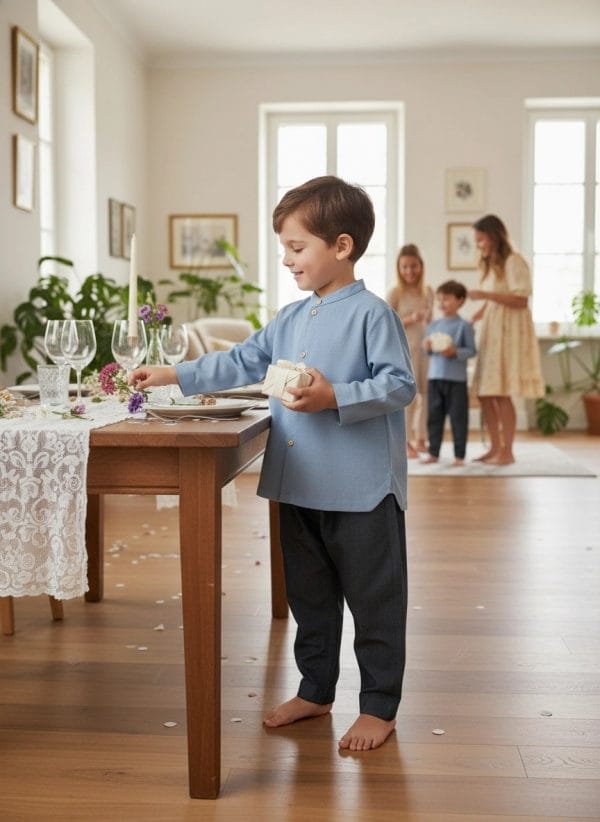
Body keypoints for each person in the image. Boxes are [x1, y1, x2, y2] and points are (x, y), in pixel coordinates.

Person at [130, 176, 416, 751]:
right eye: (284, 247)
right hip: (300, 487)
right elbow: (242, 360)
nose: (286, 259)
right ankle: (315, 690)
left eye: (296, 247)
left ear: (341, 246)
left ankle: (379, 707)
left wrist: (335, 395)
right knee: (310, 601)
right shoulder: (289, 317)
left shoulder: (373, 315)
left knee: (375, 602)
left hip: (362, 493)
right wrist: (175, 375)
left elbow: (399, 384)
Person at [469, 214, 544, 464]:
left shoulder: (514, 261)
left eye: (481, 240)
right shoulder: (493, 265)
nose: (479, 245)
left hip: (509, 334)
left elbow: (521, 300)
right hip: (492, 332)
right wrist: (475, 315)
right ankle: (494, 446)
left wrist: (485, 295)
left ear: (493, 236)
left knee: (500, 393)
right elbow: (495, 299)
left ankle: (507, 451)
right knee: (485, 392)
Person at [421, 280, 476, 466]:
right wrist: (426, 347)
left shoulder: (464, 326)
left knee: (458, 419)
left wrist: (455, 352)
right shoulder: (433, 325)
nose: (442, 303)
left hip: (457, 381)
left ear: (460, 301)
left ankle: (459, 455)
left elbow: (471, 350)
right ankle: (433, 452)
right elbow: (427, 350)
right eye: (440, 299)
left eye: (447, 299)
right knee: (434, 417)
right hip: (435, 378)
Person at [386, 244, 433, 458]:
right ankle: (404, 442)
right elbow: (386, 324)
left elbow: (431, 323)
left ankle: (422, 438)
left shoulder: (428, 291)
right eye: (405, 267)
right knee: (410, 397)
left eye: (413, 266)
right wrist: (411, 319)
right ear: (399, 268)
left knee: (427, 395)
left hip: (426, 350)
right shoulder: (396, 292)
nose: (409, 271)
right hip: (405, 350)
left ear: (420, 266)